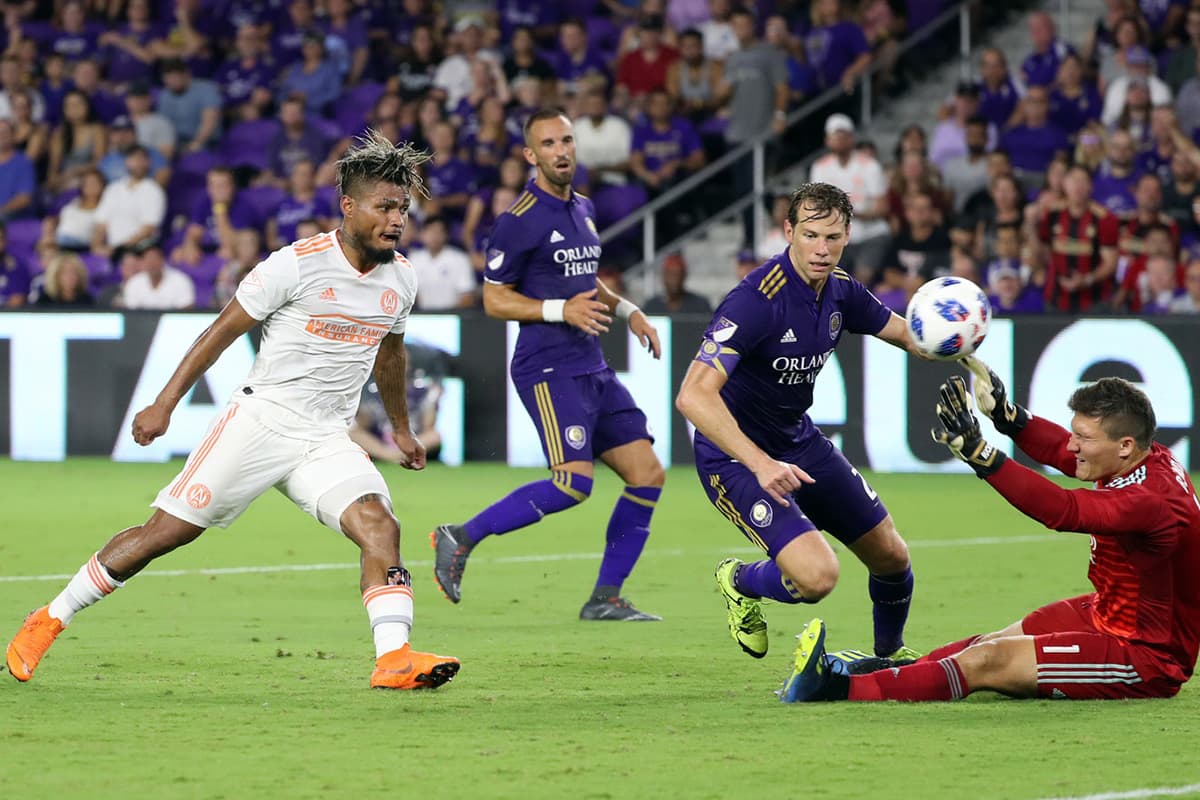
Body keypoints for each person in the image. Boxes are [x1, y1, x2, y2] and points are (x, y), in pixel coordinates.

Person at [6, 130, 460, 691]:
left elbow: (390, 357)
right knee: (163, 534)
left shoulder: (401, 278)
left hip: (325, 438)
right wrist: (164, 404)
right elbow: (217, 335)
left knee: (379, 526)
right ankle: (49, 618)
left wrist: (400, 429)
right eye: (384, 206)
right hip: (260, 423)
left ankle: (393, 659)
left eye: (403, 209)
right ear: (349, 206)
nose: (397, 219)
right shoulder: (293, 266)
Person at [780, 359, 1200, 703]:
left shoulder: (1153, 500)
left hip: (1146, 654)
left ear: (1124, 445)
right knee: (987, 641)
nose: (1072, 446)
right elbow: (1060, 452)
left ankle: (835, 688)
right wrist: (1007, 416)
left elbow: (1064, 509)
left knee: (989, 660)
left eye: (1083, 438)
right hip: (1109, 611)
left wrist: (983, 456)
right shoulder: (1142, 458)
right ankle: (895, 671)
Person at [431, 107, 666, 621]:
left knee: (647, 473)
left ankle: (605, 598)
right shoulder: (517, 221)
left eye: (567, 140)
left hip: (591, 363)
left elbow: (586, 281)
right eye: (549, 144)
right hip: (546, 366)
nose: (561, 151)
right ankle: (460, 536)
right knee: (572, 483)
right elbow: (494, 300)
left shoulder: (582, 206)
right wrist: (561, 310)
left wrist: (627, 311)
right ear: (530, 155)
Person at [673, 182, 923, 663]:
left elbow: (908, 335)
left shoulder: (842, 292)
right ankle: (739, 580)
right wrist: (760, 463)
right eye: (810, 235)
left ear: (848, 234)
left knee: (892, 557)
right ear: (788, 231)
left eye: (832, 237)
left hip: (798, 441)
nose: (821, 249)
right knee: (817, 579)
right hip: (735, 458)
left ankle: (890, 659)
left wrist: (954, 334)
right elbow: (692, 396)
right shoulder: (755, 300)